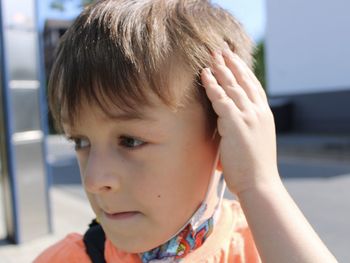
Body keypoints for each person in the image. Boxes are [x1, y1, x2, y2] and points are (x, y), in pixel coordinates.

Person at [35, 0, 338, 262]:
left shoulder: (265, 247)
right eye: (81, 141)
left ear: (226, 137)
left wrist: (259, 185)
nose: (93, 180)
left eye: (130, 140)